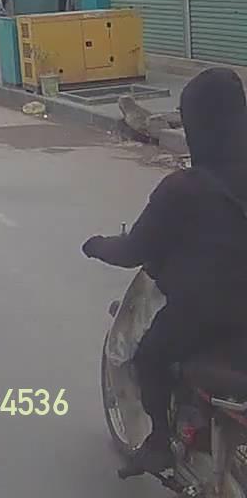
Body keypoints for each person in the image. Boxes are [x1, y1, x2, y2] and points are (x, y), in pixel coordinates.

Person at [83, 67, 247, 475]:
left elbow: (134, 250)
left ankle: (158, 444)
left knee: (149, 358)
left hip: (203, 318)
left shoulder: (182, 189)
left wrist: (97, 245)